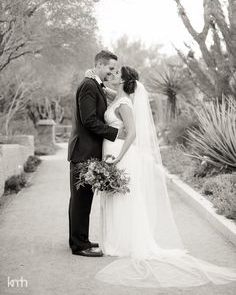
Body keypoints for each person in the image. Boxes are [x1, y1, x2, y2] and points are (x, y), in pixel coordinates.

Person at [86, 65, 236, 287]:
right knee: (113, 195)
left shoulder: (125, 103)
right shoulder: (118, 96)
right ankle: (114, 241)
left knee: (122, 196)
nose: (112, 75)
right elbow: (108, 92)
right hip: (111, 152)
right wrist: (95, 80)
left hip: (120, 155)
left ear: (124, 81)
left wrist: (118, 158)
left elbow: (134, 133)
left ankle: (124, 243)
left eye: (117, 74)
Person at [67, 50, 125, 257]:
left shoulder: (95, 84)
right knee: (80, 200)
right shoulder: (89, 86)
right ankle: (79, 245)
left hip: (87, 150)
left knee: (81, 199)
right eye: (110, 68)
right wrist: (116, 133)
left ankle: (79, 238)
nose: (112, 73)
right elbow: (89, 120)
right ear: (99, 65)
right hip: (83, 150)